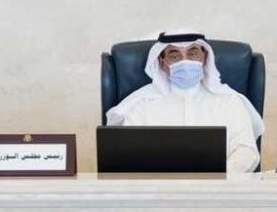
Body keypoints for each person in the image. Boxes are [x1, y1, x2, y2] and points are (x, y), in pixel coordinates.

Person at [106, 31, 263, 172]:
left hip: (218, 191)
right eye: (175, 56)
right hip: (156, 191)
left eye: (193, 53)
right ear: (161, 62)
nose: (185, 62)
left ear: (205, 58)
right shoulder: (141, 104)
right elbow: (127, 155)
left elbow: (247, 152)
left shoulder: (229, 102)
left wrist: (215, 180)